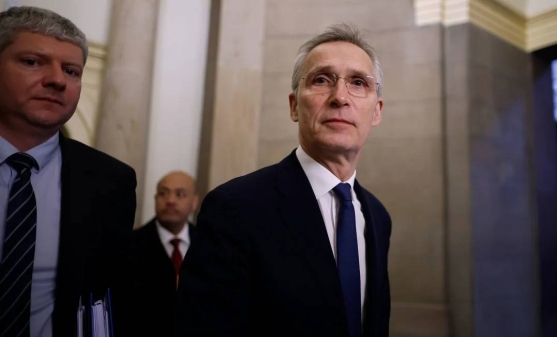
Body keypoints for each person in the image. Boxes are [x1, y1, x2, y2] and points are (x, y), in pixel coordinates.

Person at [176, 23, 391, 337]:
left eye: (358, 82)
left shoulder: (378, 216)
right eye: (322, 79)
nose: (340, 97)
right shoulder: (235, 207)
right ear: (294, 106)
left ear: (376, 112)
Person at [0, 6, 136, 336]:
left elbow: (113, 298)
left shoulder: (111, 182)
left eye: (72, 71)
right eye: (32, 62)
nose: (57, 80)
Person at [129, 171, 198, 337]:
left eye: (180, 194)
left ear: (194, 202)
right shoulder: (130, 245)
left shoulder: (210, 244)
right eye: (163, 193)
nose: (171, 201)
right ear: (155, 199)